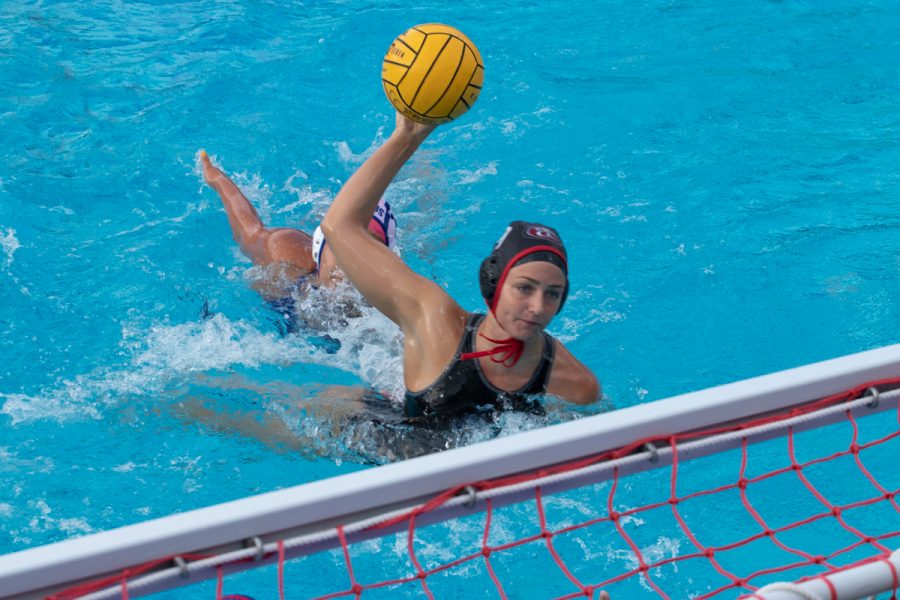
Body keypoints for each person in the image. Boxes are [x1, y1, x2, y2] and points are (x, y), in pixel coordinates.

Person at [320, 113, 600, 422]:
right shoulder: (434, 321)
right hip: (387, 437)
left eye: (553, 294)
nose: (537, 307)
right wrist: (407, 137)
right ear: (492, 282)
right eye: (524, 288)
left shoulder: (575, 385)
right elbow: (340, 225)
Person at [199, 150, 398, 335]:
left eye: (366, 247)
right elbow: (247, 232)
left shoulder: (398, 304)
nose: (350, 261)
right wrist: (218, 179)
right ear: (320, 247)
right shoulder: (284, 260)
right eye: (342, 245)